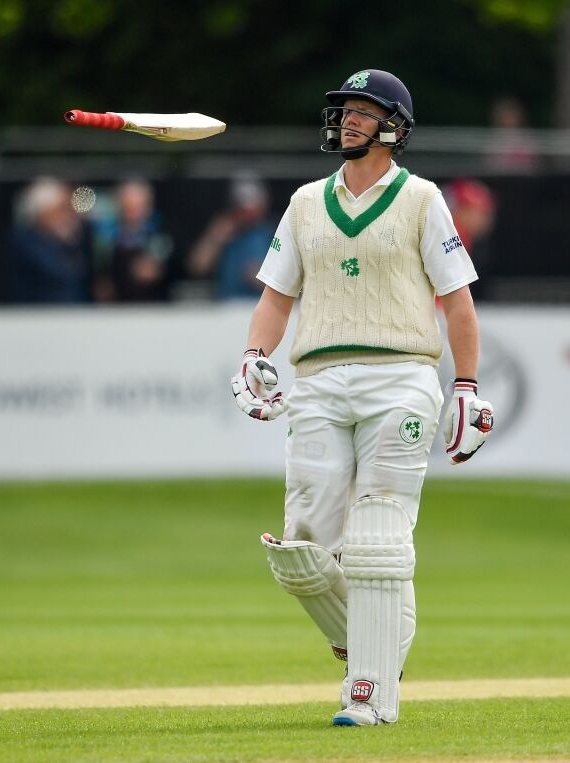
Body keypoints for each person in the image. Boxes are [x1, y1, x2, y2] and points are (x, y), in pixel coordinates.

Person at [231, 69, 494, 727]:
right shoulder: (304, 203)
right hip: (318, 382)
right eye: (344, 109)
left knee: (378, 537)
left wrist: (465, 385)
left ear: (394, 128)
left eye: (363, 110)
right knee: (303, 553)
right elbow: (276, 298)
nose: (348, 119)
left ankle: (368, 692)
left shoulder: (422, 199)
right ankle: (378, 644)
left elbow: (458, 301)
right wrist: (254, 355)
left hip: (400, 377)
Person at [187, 174, 274, 299]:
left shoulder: (273, 233)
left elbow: (289, 282)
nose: (248, 214)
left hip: (261, 305)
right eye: (242, 207)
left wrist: (264, 276)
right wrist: (214, 239)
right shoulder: (223, 230)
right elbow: (197, 267)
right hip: (226, 305)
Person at [8, 177, 92, 303]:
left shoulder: (70, 239)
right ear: (43, 213)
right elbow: (60, 273)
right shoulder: (24, 240)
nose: (66, 215)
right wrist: (66, 241)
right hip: (38, 311)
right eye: (60, 210)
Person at [94, 180, 175, 302]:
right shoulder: (107, 234)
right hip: (118, 306)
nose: (133, 214)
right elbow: (100, 273)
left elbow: (178, 266)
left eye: (138, 207)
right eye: (128, 208)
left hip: (155, 305)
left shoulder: (162, 230)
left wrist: (161, 269)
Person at [443, 178, 496, 301]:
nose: (486, 220)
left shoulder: (463, 239)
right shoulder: (451, 238)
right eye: (481, 212)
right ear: (461, 210)